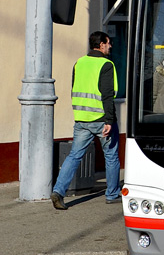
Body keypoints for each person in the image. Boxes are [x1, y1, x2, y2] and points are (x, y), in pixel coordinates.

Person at [51, 31, 121, 210]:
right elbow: (107, 94)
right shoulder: (106, 64)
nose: (110, 46)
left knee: (74, 155)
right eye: (108, 43)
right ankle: (112, 194)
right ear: (101, 44)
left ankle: (58, 191)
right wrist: (109, 120)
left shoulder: (79, 63)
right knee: (111, 156)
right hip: (100, 118)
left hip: (81, 118)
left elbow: (74, 88)